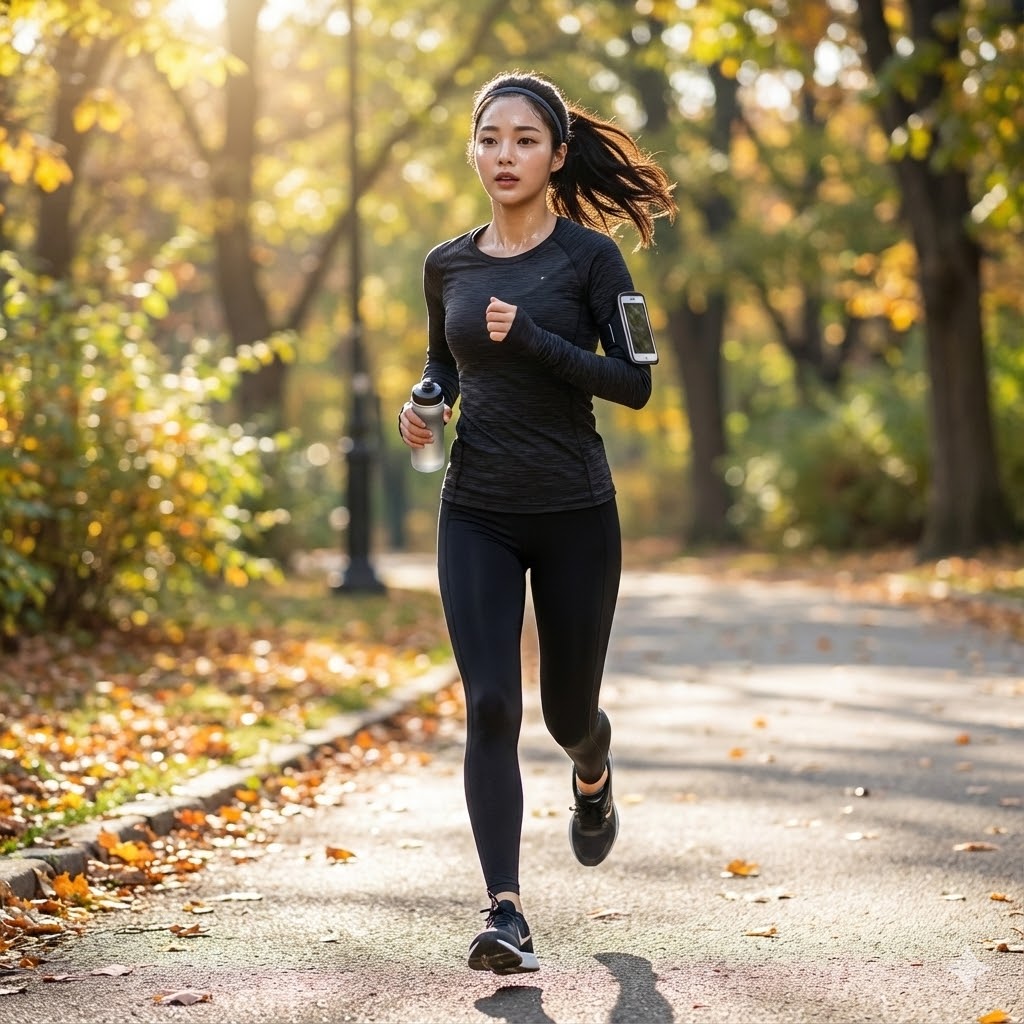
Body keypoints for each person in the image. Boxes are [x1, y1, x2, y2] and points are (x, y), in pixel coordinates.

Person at [398, 69, 676, 976]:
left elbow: (634, 382)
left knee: (564, 714)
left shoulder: (593, 262)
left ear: (557, 156)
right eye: (489, 139)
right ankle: (505, 911)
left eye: (523, 140)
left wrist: (539, 341)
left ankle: (592, 776)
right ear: (473, 149)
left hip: (575, 514)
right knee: (488, 704)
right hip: (475, 509)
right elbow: (445, 365)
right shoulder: (447, 264)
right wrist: (423, 403)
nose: (503, 155)